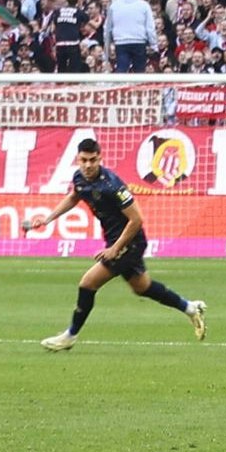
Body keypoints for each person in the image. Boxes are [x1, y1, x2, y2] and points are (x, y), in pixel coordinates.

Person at [42, 135, 206, 348]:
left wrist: (114, 249)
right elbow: (75, 196)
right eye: (84, 160)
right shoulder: (79, 178)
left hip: (130, 242)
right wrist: (47, 219)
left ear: (100, 158)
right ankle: (190, 308)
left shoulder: (112, 185)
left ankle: (70, 336)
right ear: (78, 159)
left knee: (88, 283)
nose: (88, 165)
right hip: (116, 241)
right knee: (142, 287)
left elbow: (137, 220)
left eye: (93, 160)